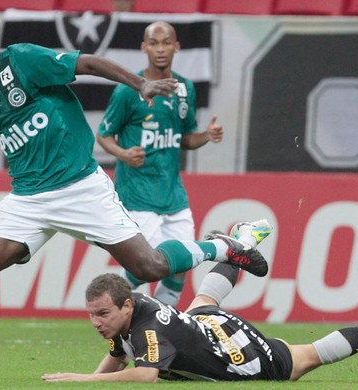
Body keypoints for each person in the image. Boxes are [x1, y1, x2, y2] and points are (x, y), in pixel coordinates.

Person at [0, 8, 269, 383]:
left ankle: (221, 247)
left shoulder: (24, 60)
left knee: (148, 266)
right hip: (27, 199)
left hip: (80, 187)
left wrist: (141, 83)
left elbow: (90, 64)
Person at [41, 254, 358, 382]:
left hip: (240, 353)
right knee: (201, 302)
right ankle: (242, 244)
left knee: (305, 359)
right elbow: (119, 352)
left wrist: (82, 379)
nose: (96, 322)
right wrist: (95, 379)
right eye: (92, 315)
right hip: (204, 323)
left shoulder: (147, 327)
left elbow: (145, 374)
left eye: (102, 314)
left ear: (125, 305)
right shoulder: (130, 308)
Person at [96, 21, 266, 307]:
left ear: (176, 47)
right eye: (154, 43)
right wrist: (123, 154)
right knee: (146, 265)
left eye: (166, 43)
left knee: (182, 263)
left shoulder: (185, 88)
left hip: (173, 195)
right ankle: (110, 305)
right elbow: (103, 134)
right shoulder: (129, 90)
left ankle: (162, 322)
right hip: (137, 196)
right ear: (144, 48)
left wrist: (206, 136)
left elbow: (184, 139)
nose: (160, 49)